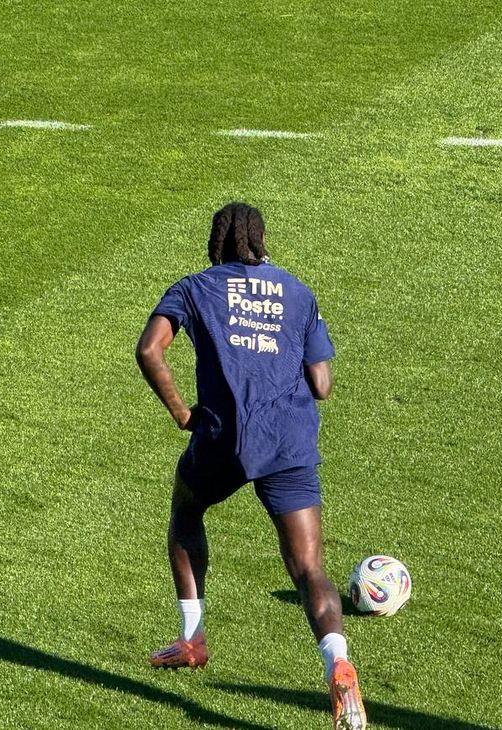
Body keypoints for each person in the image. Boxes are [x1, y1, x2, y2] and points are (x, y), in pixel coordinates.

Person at [135, 202, 368, 729]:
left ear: (215, 242)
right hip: (288, 441)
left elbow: (149, 350)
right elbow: (322, 386)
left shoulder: (194, 288)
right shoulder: (298, 291)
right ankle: (338, 661)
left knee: (186, 509)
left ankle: (193, 638)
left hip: (224, 437)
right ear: (260, 240)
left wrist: (181, 412)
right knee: (309, 568)